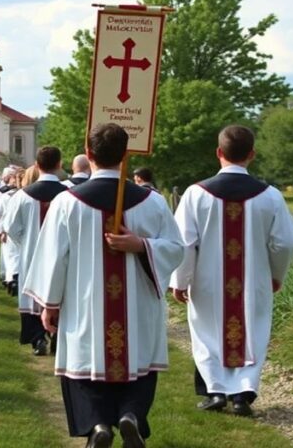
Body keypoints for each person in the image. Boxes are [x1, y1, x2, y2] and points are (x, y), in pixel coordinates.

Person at [25, 124, 184, 448]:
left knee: (85, 366)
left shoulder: (67, 203)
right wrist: (142, 245)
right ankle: (131, 415)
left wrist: (50, 303)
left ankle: (97, 425)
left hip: (86, 304)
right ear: (126, 154)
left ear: (89, 152)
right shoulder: (152, 202)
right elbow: (176, 249)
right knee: (137, 362)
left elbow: (54, 259)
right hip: (137, 305)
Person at [169, 125, 293, 417]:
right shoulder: (271, 196)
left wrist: (181, 279)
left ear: (218, 153)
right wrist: (276, 274)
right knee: (252, 332)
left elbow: (184, 243)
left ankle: (215, 391)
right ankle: (242, 394)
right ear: (252, 154)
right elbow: (286, 241)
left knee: (207, 332)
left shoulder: (195, 194)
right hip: (254, 280)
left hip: (208, 280)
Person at [3, 147, 67, 356]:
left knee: (32, 294)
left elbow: (11, 227)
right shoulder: (70, 196)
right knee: (62, 291)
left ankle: (37, 337)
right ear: (59, 165)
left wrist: (27, 242)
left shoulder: (22, 196)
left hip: (30, 255)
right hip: (63, 255)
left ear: (37, 166)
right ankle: (58, 333)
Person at [0, 167, 21, 296]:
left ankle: (11, 279)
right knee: (14, 255)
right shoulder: (8, 195)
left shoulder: (7, 196)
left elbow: (0, 215)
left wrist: (1, 230)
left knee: (10, 256)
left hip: (8, 228)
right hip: (18, 229)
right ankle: (13, 279)